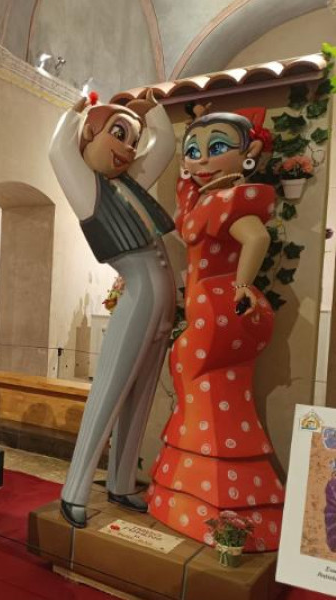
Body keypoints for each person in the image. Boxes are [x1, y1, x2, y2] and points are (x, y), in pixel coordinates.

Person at [147, 105, 283, 552]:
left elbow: (257, 238)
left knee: (205, 394)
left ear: (250, 152)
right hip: (212, 308)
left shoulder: (230, 201)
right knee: (207, 395)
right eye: (194, 151)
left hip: (221, 307)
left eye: (217, 147)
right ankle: (211, 500)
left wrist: (242, 285)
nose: (202, 160)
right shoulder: (206, 200)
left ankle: (210, 500)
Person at [48, 89, 176, 528]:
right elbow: (58, 149)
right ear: (90, 134)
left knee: (140, 398)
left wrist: (149, 109)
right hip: (139, 295)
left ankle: (122, 483)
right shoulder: (87, 187)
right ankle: (75, 490)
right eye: (118, 135)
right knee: (109, 394)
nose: (128, 148)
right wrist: (77, 107)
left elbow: (166, 143)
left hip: (161, 305)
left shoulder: (129, 182)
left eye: (133, 141)